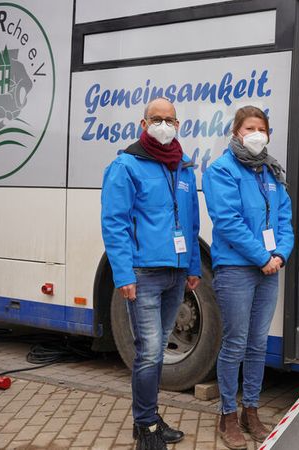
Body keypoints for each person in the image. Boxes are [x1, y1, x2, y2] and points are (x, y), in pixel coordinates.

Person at [101, 98, 201, 450]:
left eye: (169, 119)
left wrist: (193, 266)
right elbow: (115, 223)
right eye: (156, 119)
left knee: (157, 351)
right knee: (149, 351)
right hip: (144, 274)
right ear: (142, 125)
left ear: (178, 124)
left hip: (176, 275)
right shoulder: (126, 165)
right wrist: (123, 274)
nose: (163, 124)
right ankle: (145, 427)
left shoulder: (184, 167)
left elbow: (191, 221)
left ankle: (150, 417)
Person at [203, 106, 294, 450]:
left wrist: (280, 254)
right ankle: (227, 414)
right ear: (236, 132)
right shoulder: (221, 171)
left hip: (269, 268)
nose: (257, 134)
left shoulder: (271, 172)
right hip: (237, 269)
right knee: (236, 343)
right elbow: (227, 221)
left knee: (258, 343)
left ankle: (250, 411)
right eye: (250, 128)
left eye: (262, 128)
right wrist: (262, 257)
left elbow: (285, 219)